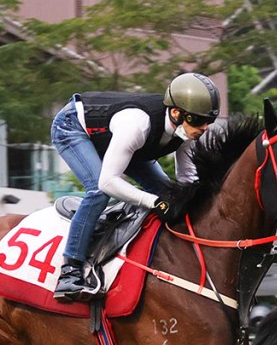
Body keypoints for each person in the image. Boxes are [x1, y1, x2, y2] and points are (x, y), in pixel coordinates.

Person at [50, 72, 221, 301]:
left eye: (208, 121)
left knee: (168, 194)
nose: (204, 127)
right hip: (74, 127)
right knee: (99, 192)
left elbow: (186, 180)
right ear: (177, 113)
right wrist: (152, 201)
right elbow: (108, 181)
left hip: (119, 140)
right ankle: (70, 270)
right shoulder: (137, 125)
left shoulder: (186, 131)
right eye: (198, 120)